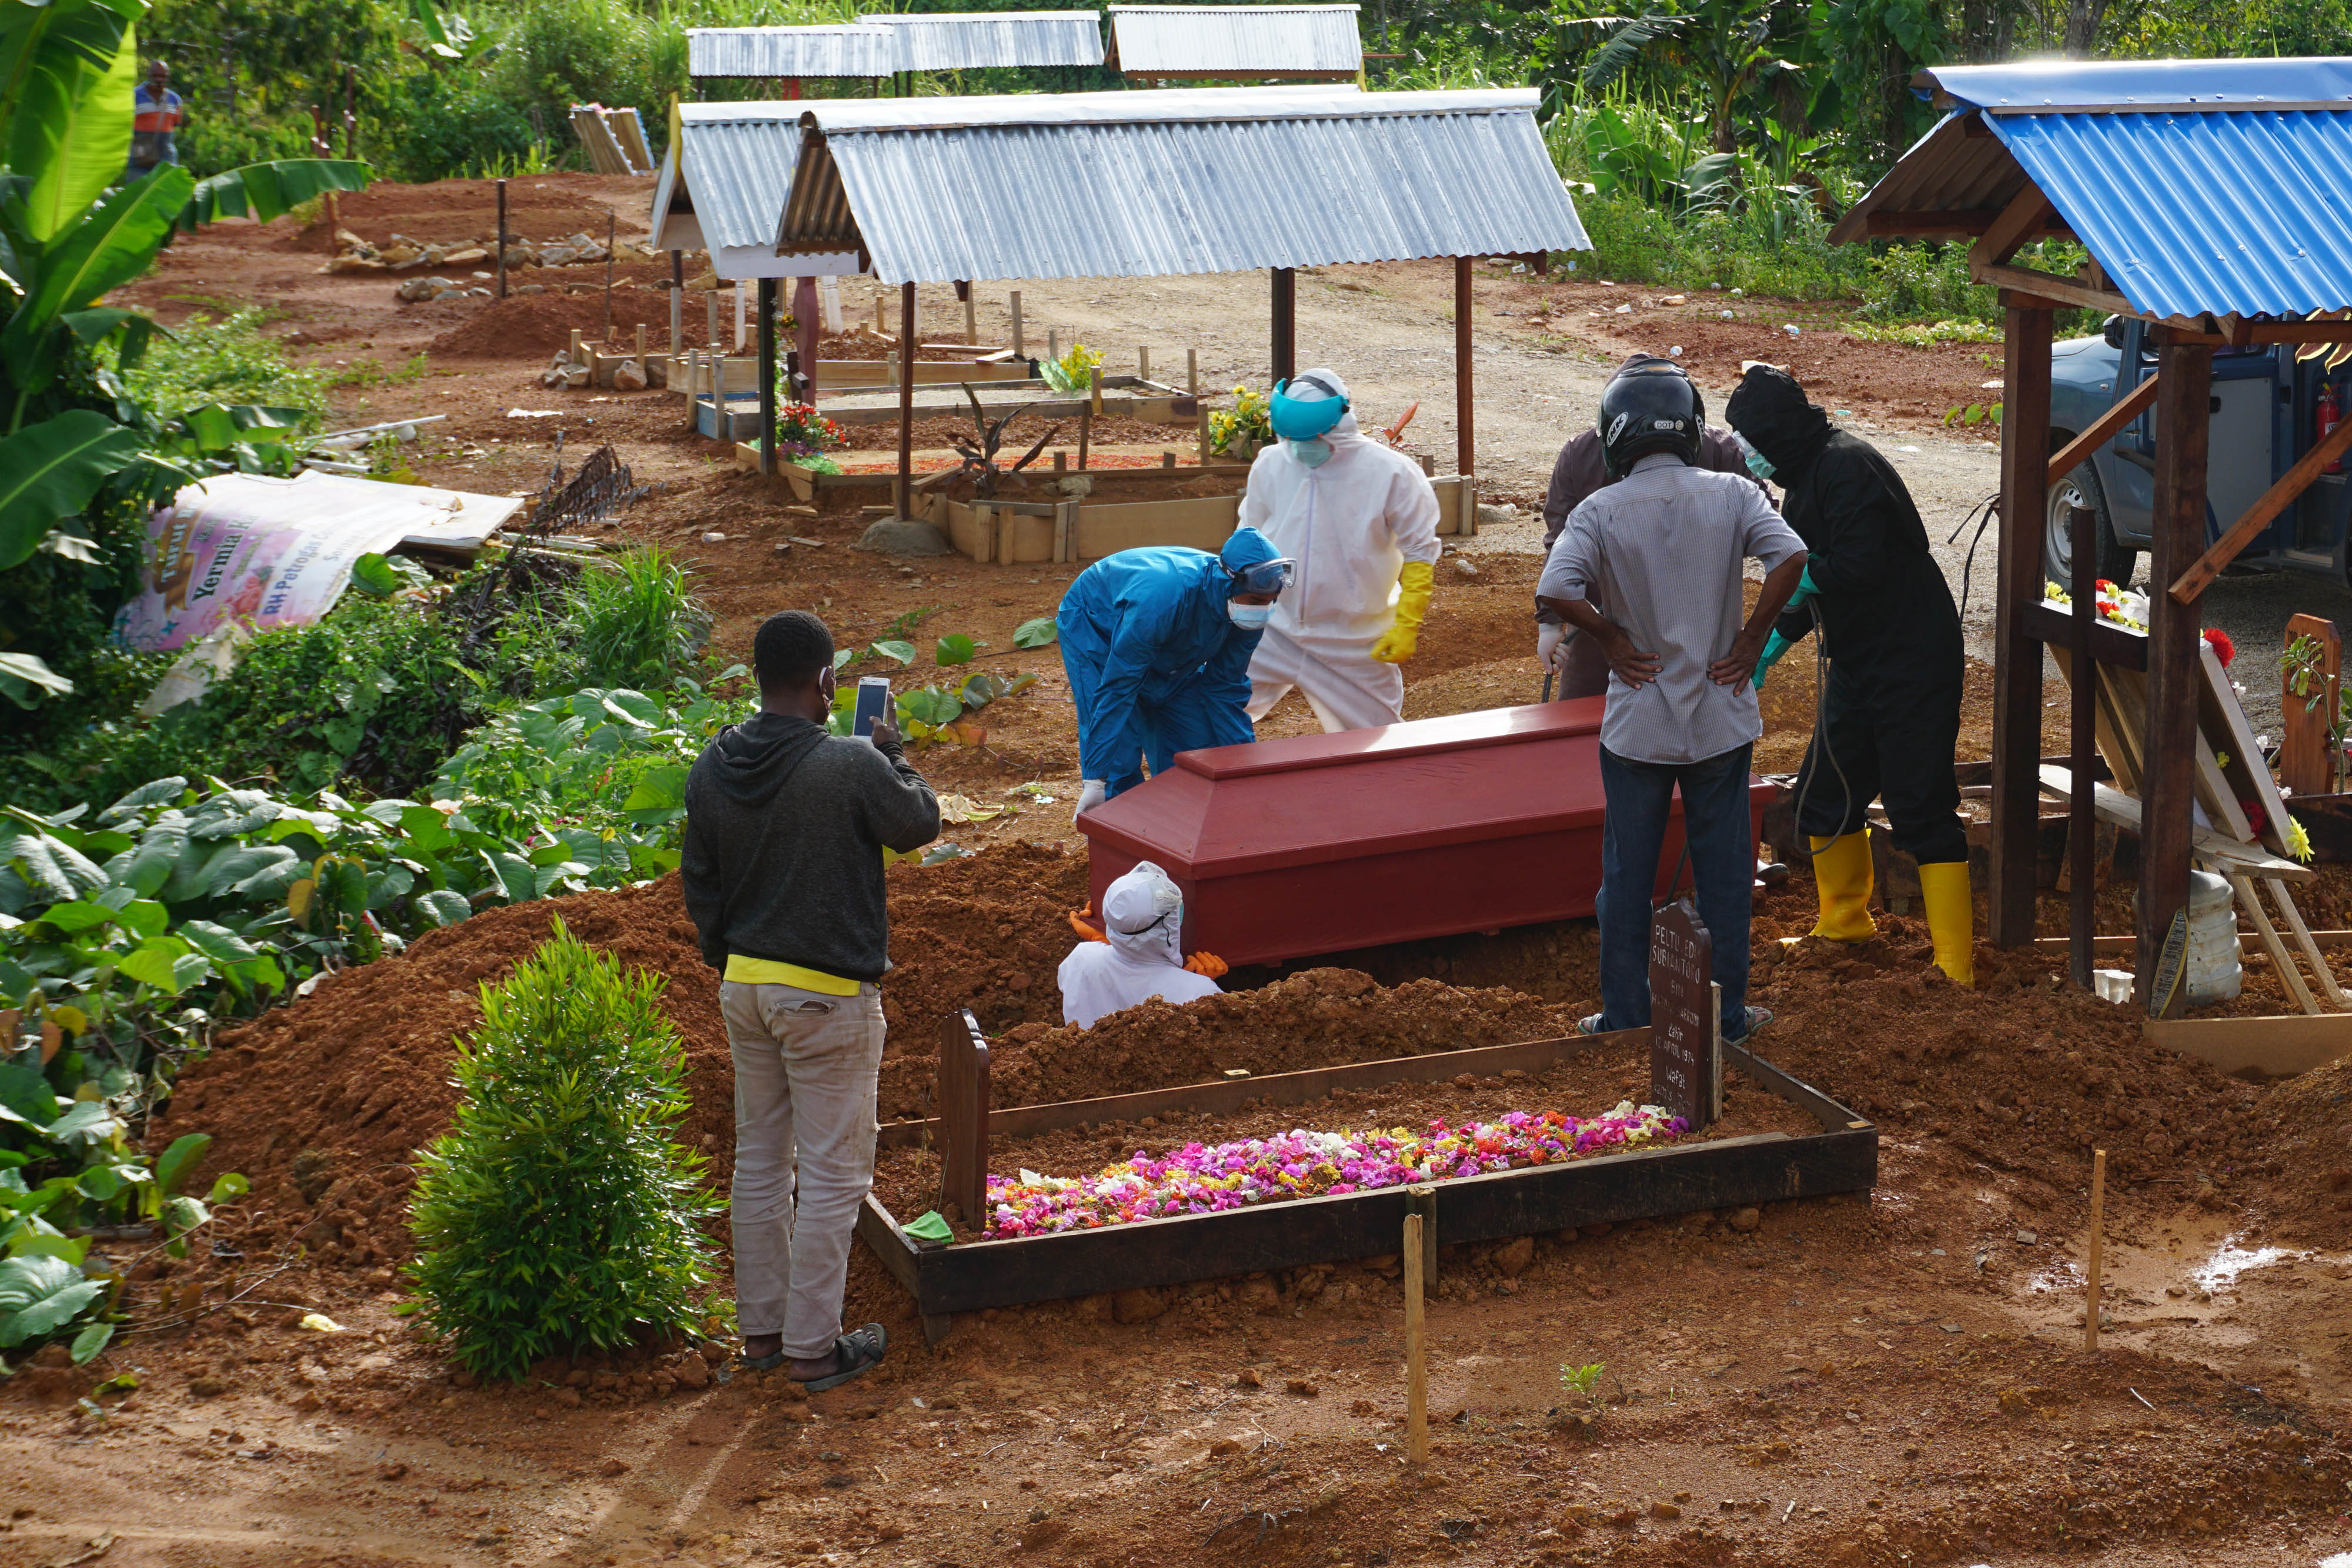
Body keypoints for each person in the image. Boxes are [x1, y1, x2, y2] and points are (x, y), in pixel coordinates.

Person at [681, 610, 941, 1389]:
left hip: (745, 988)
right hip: (827, 996)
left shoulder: (713, 764)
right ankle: (813, 1351)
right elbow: (917, 823)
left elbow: (701, 883)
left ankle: (762, 1336)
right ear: (827, 680)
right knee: (832, 1177)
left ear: (757, 677)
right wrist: (892, 749)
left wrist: (733, 960)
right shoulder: (849, 762)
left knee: (760, 1162)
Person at [1538, 360, 1809, 1044]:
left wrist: (1608, 634)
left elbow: (1556, 588)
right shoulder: (1732, 492)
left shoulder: (1600, 509)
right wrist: (1751, 639)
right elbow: (1792, 556)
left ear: (1615, 434)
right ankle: (1727, 1019)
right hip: (1720, 711)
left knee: (1626, 876)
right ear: (1689, 429)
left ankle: (1625, 1017)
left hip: (1638, 722)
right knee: (1724, 877)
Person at [1725, 362, 1974, 984]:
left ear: (1776, 432)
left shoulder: (1846, 465)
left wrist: (1801, 575)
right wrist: (1764, 651)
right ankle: (1844, 924)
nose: (1749, 454)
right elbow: (1817, 590)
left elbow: (1856, 568)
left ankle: (1956, 962)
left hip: (1912, 657)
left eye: (1751, 440)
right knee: (1825, 795)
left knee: (1919, 804)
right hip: (1859, 659)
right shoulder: (1805, 478)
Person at [1535, 352, 1764, 698]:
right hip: (1688, 625)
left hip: (1611, 626)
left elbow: (1559, 549)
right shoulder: (1718, 451)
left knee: (1595, 728)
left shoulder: (1584, 453)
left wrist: (1555, 623)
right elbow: (1776, 540)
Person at [1240, 368, 1441, 733]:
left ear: (1341, 422)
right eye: (1291, 439)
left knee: (1374, 749)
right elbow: (1247, 537)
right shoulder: (1272, 463)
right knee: (1211, 714)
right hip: (1273, 630)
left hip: (1354, 642)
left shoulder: (1392, 474)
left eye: (1312, 438)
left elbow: (1420, 552)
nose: (1301, 449)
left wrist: (1407, 621)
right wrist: (1238, 606)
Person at [1059, 527, 1295, 813]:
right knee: (1120, 759)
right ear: (1229, 584)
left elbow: (1225, 688)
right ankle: (1120, 833)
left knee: (1192, 752)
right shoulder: (1163, 600)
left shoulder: (1246, 614)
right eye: (1257, 602)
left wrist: (1245, 766)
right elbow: (1118, 687)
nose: (1264, 610)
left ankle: (1176, 832)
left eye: (1272, 601)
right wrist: (1095, 779)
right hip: (1097, 626)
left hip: (1169, 644)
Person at [1058, 861, 1222, 1027]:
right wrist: (1201, 993)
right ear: (1169, 923)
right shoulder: (1199, 993)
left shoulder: (1081, 957)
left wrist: (1099, 937)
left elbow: (1121, 977)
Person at [129, 61, 185, 183]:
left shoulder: (175, 99)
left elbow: (176, 124)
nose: (159, 79)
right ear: (149, 75)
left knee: (167, 187)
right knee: (136, 187)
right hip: (140, 148)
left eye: (163, 76)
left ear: (168, 78)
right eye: (156, 76)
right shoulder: (134, 95)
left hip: (166, 152)